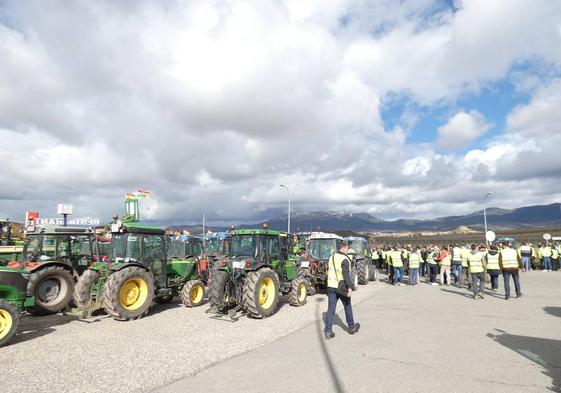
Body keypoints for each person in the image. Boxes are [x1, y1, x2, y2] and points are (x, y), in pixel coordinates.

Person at [324, 241, 360, 339]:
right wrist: (349, 287)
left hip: (331, 286)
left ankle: (328, 330)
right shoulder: (345, 259)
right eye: (347, 249)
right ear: (343, 248)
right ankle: (351, 327)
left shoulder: (331, 257)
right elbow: (346, 274)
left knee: (331, 308)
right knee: (347, 306)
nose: (348, 250)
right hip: (341, 286)